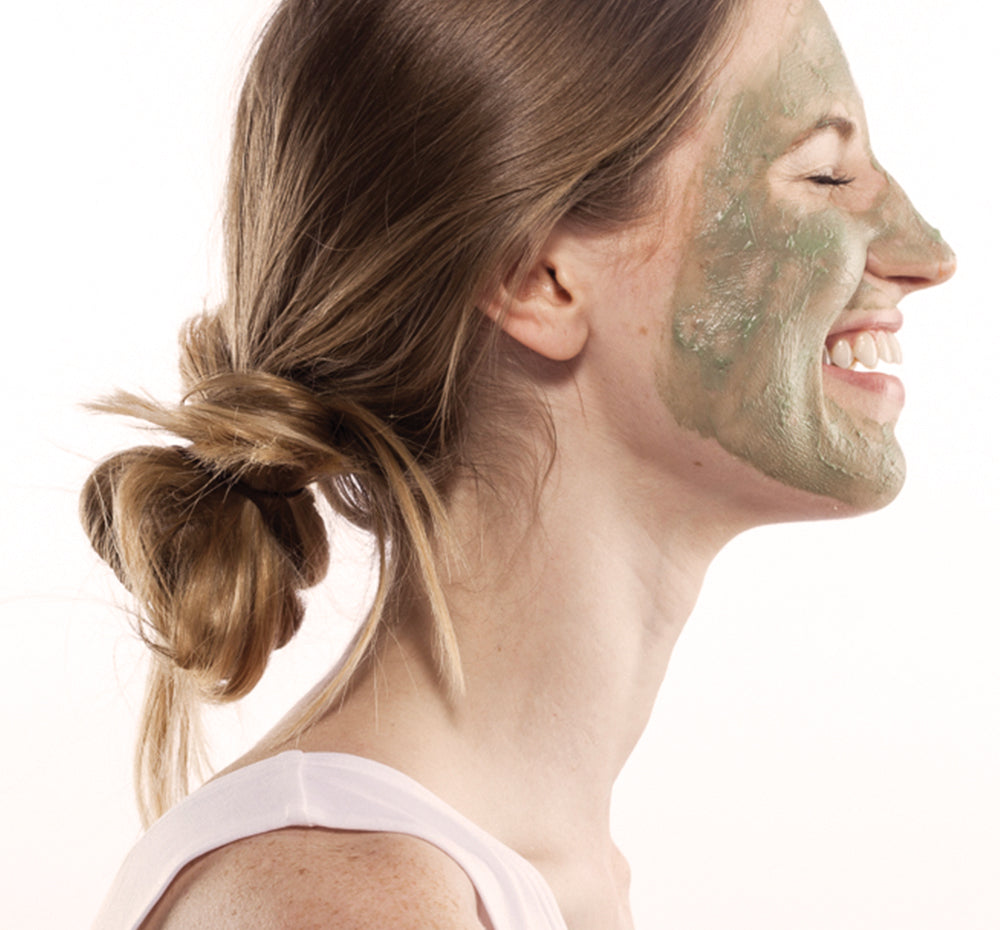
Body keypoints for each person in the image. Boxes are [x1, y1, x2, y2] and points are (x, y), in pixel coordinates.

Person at [83, 0, 955, 926]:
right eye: (824, 174)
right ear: (536, 276)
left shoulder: (514, 874)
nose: (928, 255)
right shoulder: (352, 901)